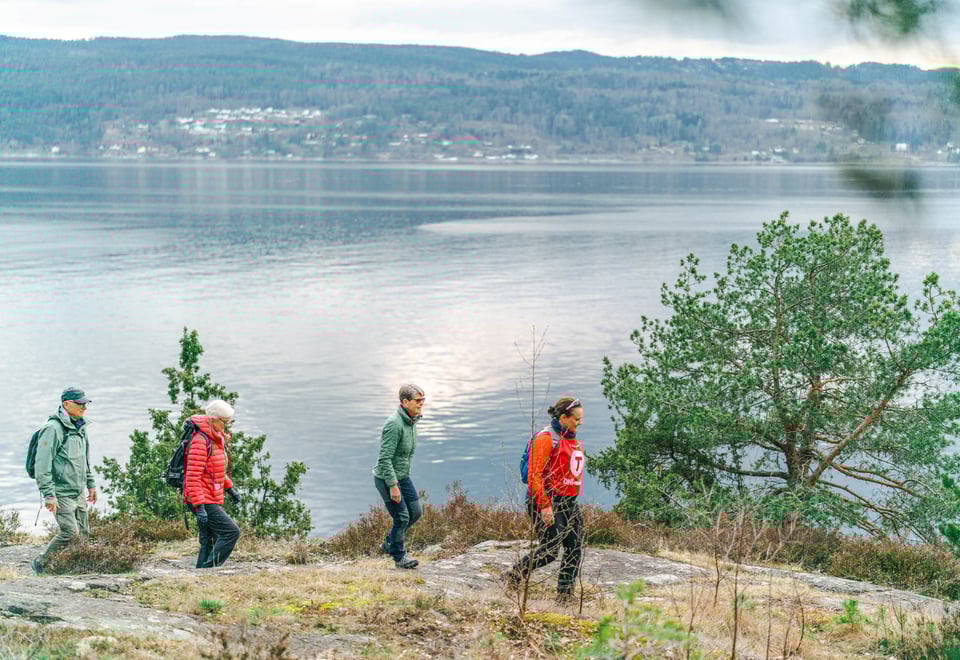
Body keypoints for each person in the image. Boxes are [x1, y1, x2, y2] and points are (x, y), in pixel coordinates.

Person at [504, 396, 586, 602]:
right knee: (550, 550)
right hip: (546, 501)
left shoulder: (570, 436)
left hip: (568, 501)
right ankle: (514, 575)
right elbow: (534, 476)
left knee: (575, 546)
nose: (580, 423)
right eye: (576, 419)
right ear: (564, 417)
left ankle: (565, 596)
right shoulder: (546, 438)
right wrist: (544, 506)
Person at [31, 388, 98, 574]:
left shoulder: (80, 427)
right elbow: (41, 465)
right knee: (70, 532)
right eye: (80, 404)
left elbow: (85, 458)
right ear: (66, 404)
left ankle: (74, 567)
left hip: (78, 492)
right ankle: (41, 563)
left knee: (83, 534)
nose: (84, 407)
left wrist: (91, 484)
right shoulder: (52, 429)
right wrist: (49, 494)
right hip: (60, 493)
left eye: (85, 404)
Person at [184, 399, 241, 569]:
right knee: (231, 532)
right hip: (202, 499)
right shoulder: (201, 441)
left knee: (209, 540)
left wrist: (230, 489)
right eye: (225, 422)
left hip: (209, 496)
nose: (227, 426)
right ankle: (209, 570)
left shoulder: (214, 438)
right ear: (213, 419)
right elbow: (192, 476)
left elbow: (215, 472)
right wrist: (200, 507)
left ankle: (200, 576)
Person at [373, 384, 425, 569]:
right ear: (404, 402)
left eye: (423, 400)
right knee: (402, 517)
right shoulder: (394, 424)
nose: (421, 404)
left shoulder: (411, 422)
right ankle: (399, 557)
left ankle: (389, 542)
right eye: (417, 400)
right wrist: (393, 485)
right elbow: (384, 458)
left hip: (403, 476)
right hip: (387, 478)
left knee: (416, 513)